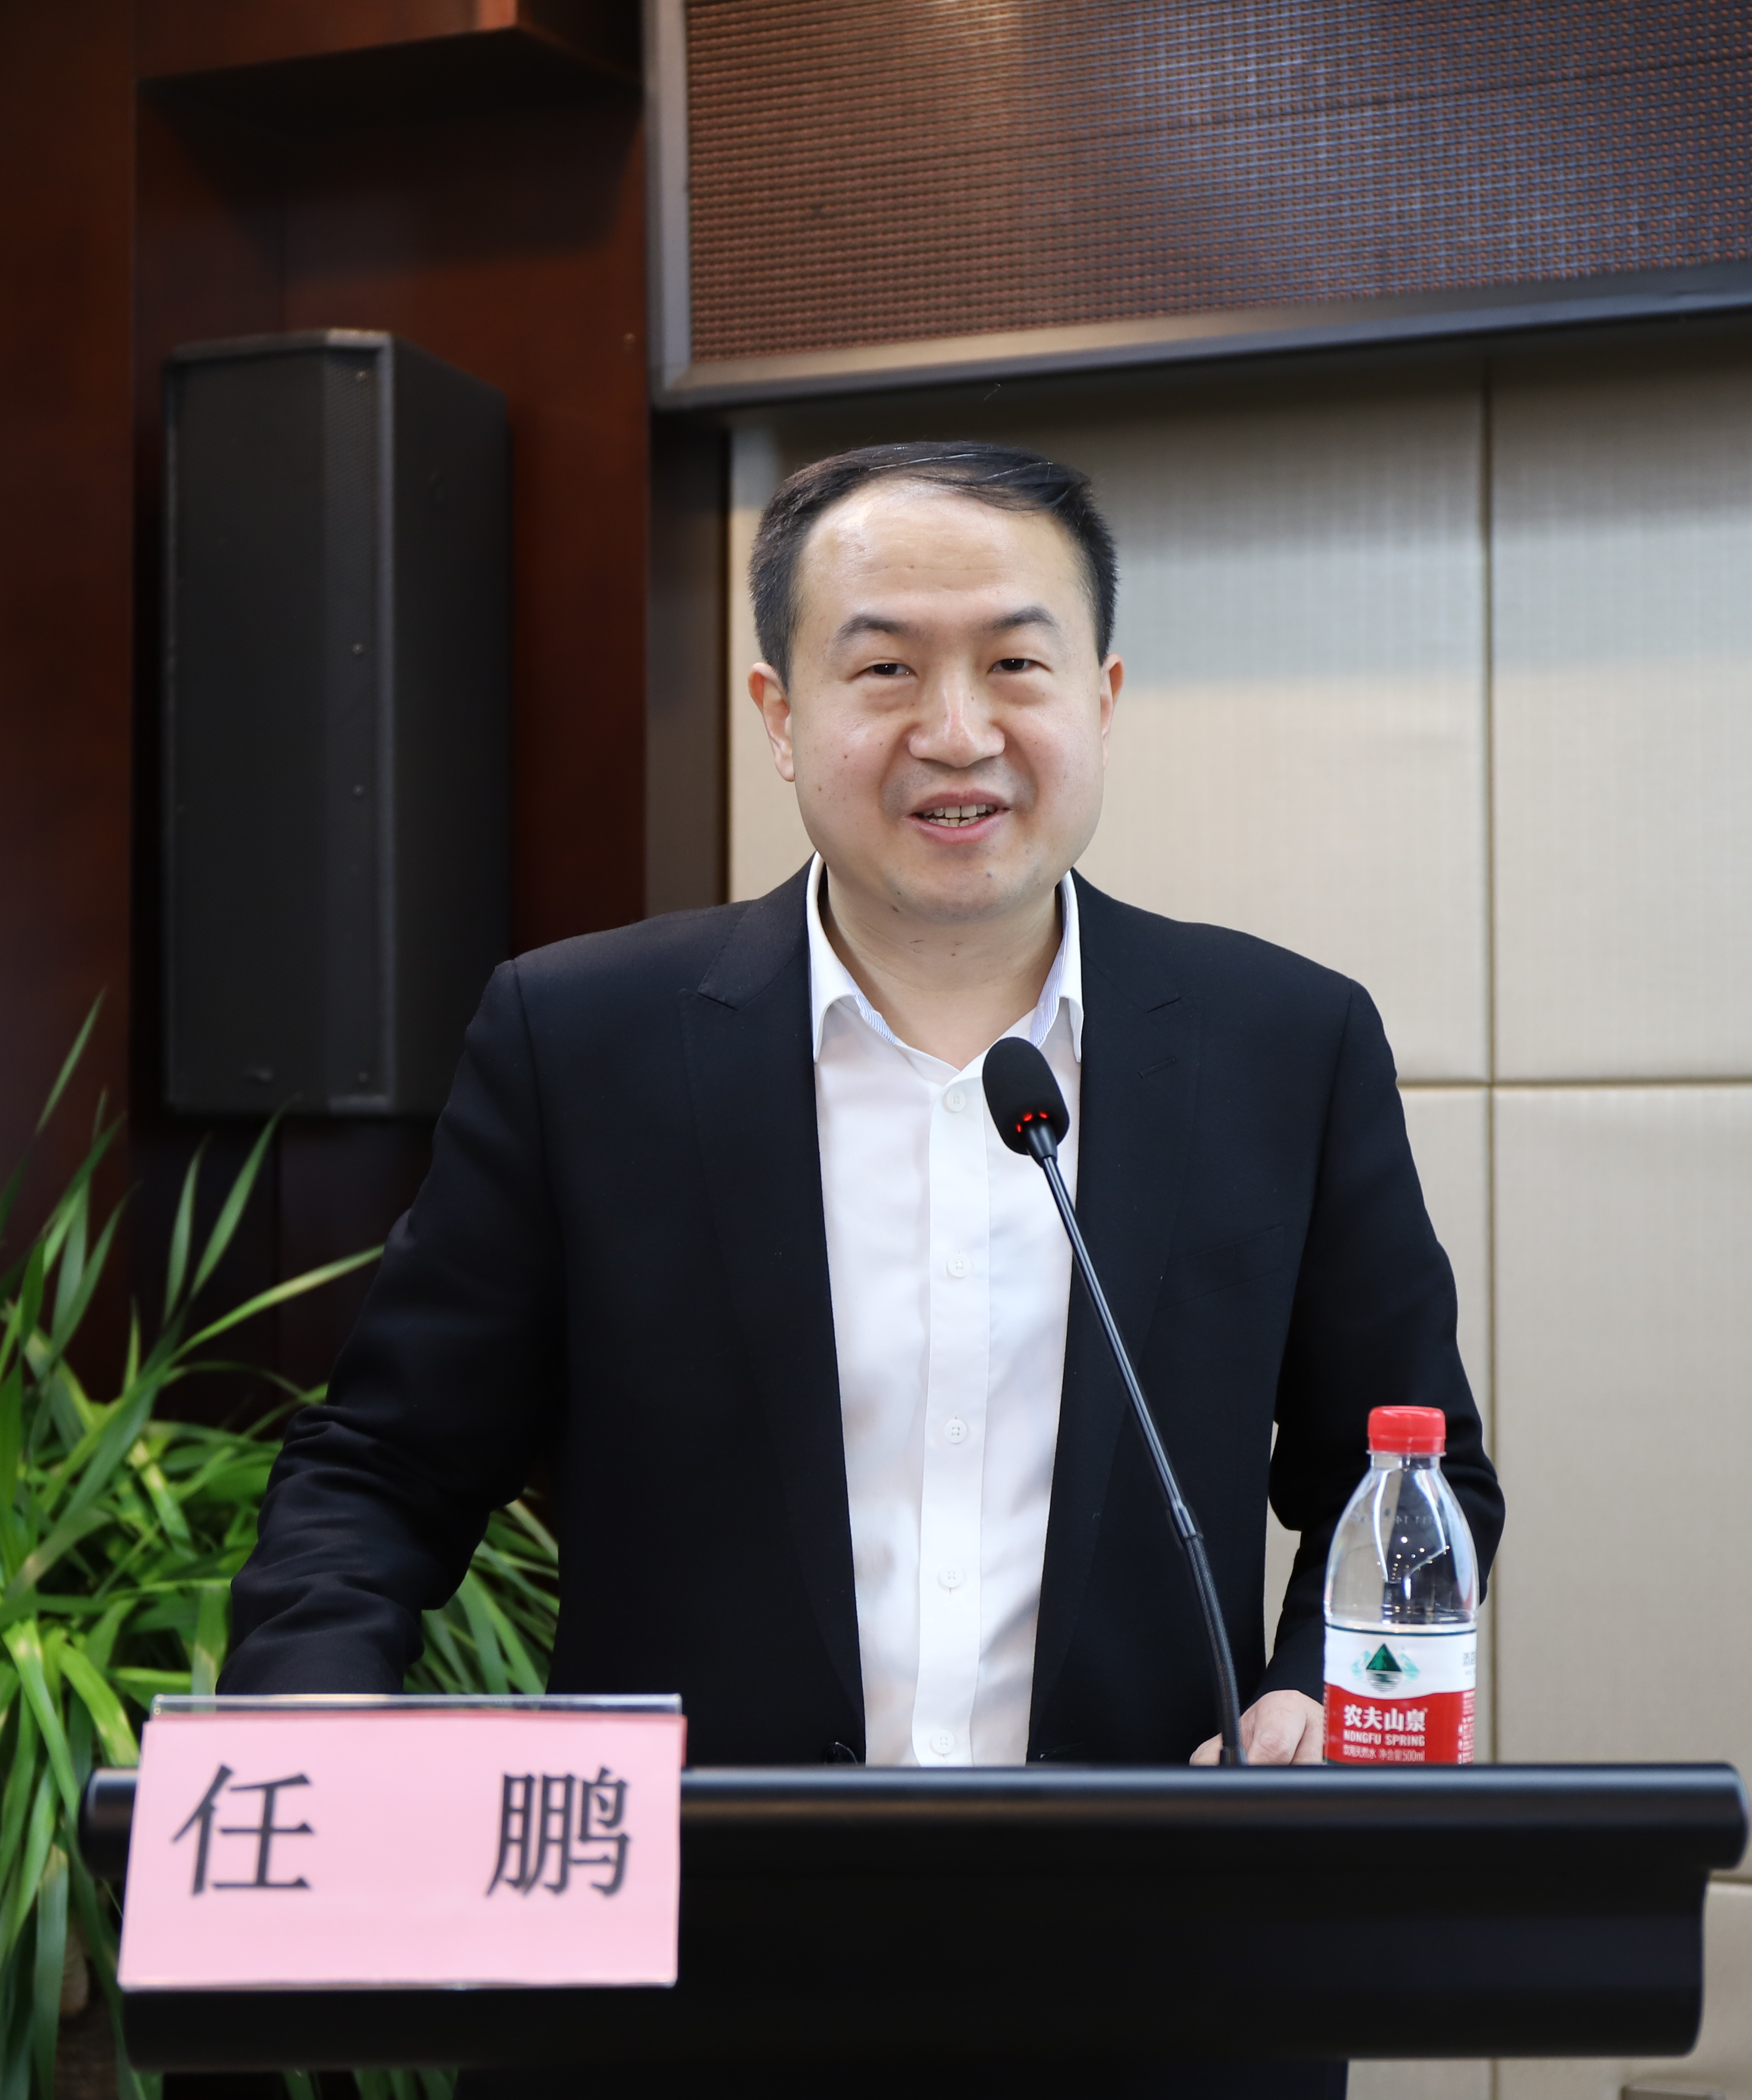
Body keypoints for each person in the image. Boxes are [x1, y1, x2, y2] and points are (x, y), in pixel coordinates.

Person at [224, 442, 1503, 2095]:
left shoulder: (1286, 1044)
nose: (957, 733)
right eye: (885, 669)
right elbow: (386, 1466)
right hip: (680, 1992)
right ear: (778, 713)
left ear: (1103, 698)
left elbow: (1408, 1471)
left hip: (1160, 1980)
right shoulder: (582, 1040)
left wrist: (1319, 1699)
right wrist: (316, 1730)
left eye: (1017, 666)